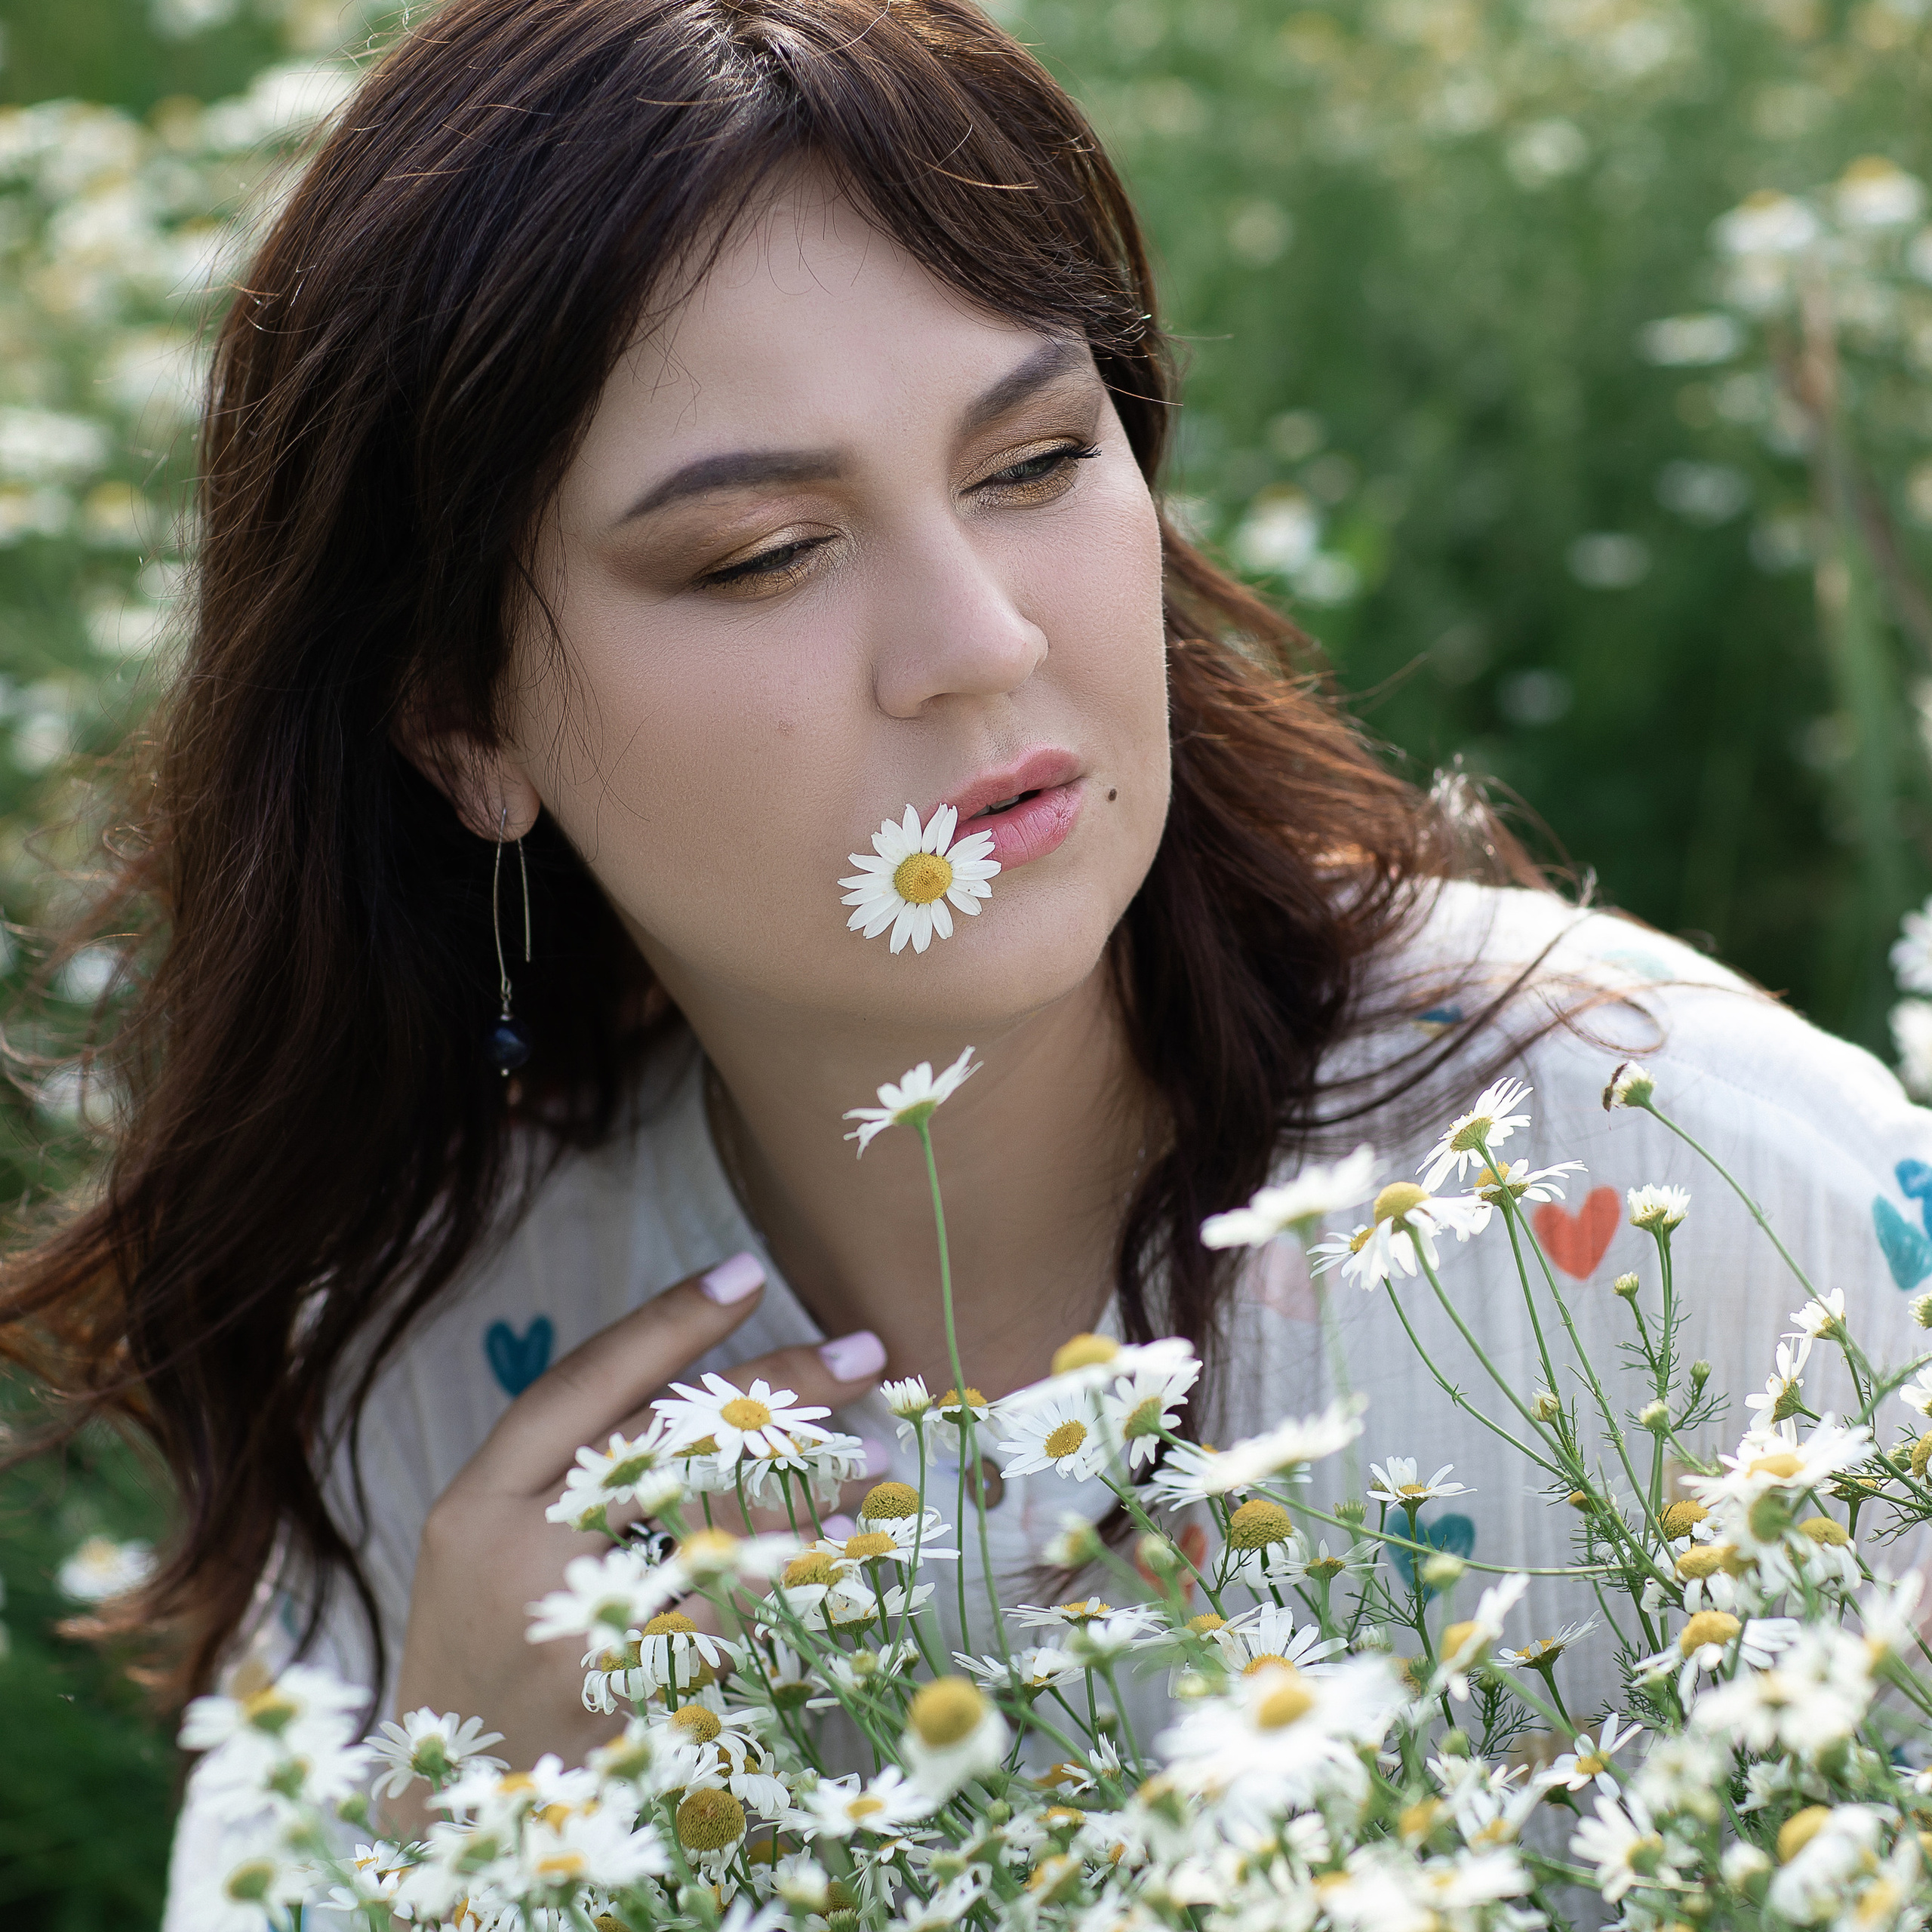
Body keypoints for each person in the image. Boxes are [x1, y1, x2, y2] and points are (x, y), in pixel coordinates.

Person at [2, 1, 1927, 1918]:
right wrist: (463, 1829)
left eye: (1028, 463)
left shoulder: (1696, 1181)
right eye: (763, 552)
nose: (977, 636)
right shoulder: (450, 1388)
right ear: (459, 727)